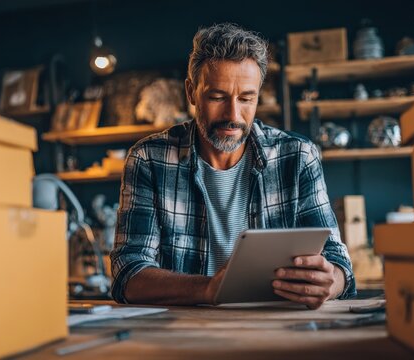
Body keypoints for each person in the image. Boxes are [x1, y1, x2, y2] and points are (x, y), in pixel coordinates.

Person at [110, 23, 355, 308]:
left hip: (278, 330)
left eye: (246, 98)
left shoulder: (298, 156)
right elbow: (127, 273)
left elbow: (339, 264)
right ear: (191, 92)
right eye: (217, 97)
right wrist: (208, 289)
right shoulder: (149, 159)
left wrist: (330, 281)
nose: (233, 115)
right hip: (181, 336)